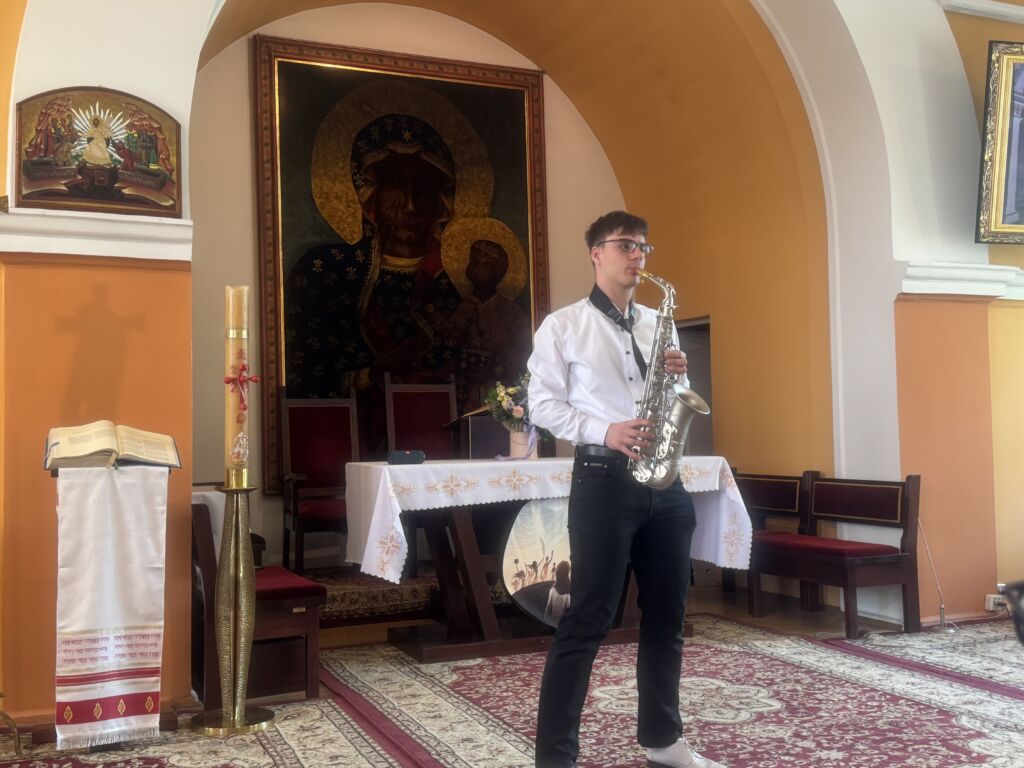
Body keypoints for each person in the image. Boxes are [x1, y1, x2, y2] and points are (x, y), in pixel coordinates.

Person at [528, 210, 725, 768]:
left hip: (665, 480)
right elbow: (541, 405)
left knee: (667, 615)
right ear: (596, 253)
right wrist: (605, 430)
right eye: (625, 245)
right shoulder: (563, 325)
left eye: (643, 247)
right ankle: (555, 758)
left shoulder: (658, 321)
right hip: (602, 478)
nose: (637, 256)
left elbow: (676, 393)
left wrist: (681, 375)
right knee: (587, 616)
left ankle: (664, 741)